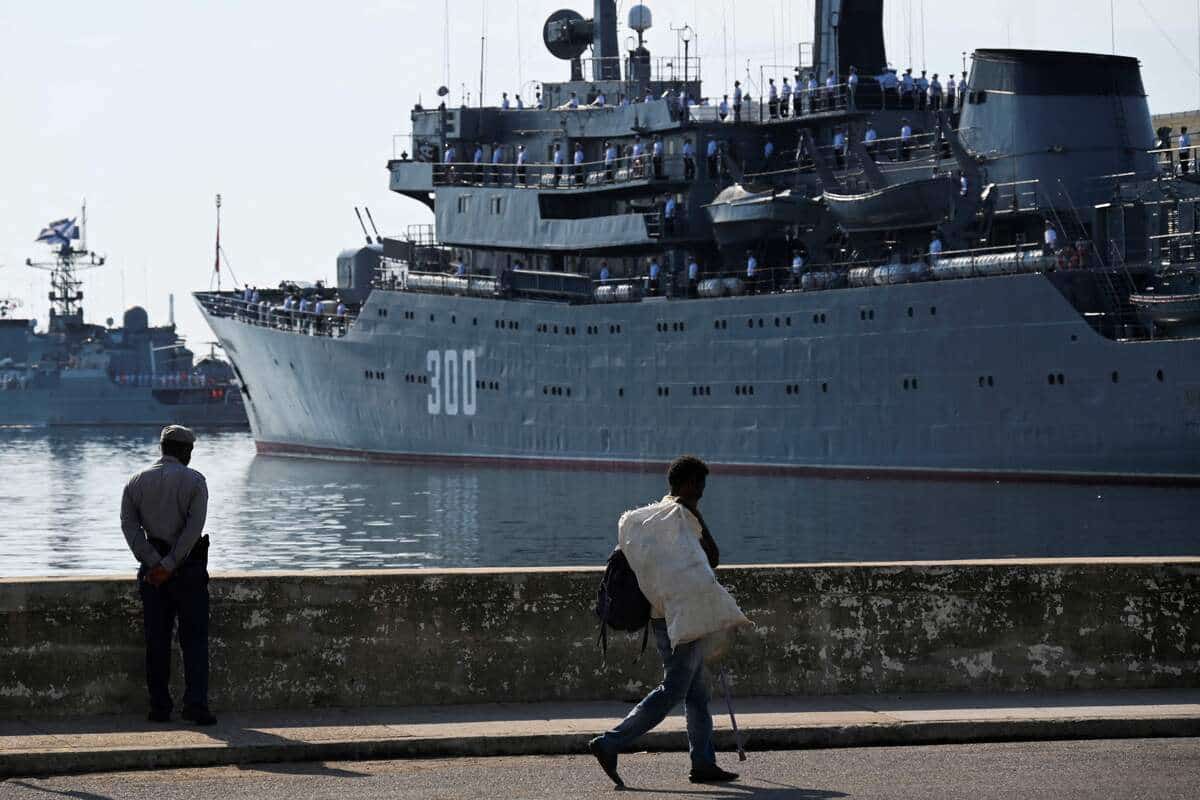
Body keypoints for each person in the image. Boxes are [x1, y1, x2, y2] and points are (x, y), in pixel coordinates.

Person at [588, 456, 741, 789]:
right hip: (683, 620)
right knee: (673, 689)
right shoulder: (683, 517)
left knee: (697, 694)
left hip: (662, 617)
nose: (701, 491)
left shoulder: (657, 515)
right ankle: (611, 742)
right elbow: (712, 557)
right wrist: (697, 513)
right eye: (699, 485)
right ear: (687, 484)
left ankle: (703, 763)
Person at [121, 426, 214, 726]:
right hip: (187, 571)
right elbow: (192, 530)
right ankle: (195, 706)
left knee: (156, 641)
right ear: (185, 451)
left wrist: (154, 563)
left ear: (162, 448)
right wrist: (172, 563)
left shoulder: (135, 482)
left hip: (153, 575)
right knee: (195, 641)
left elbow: (129, 526)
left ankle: (159, 707)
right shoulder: (195, 481)